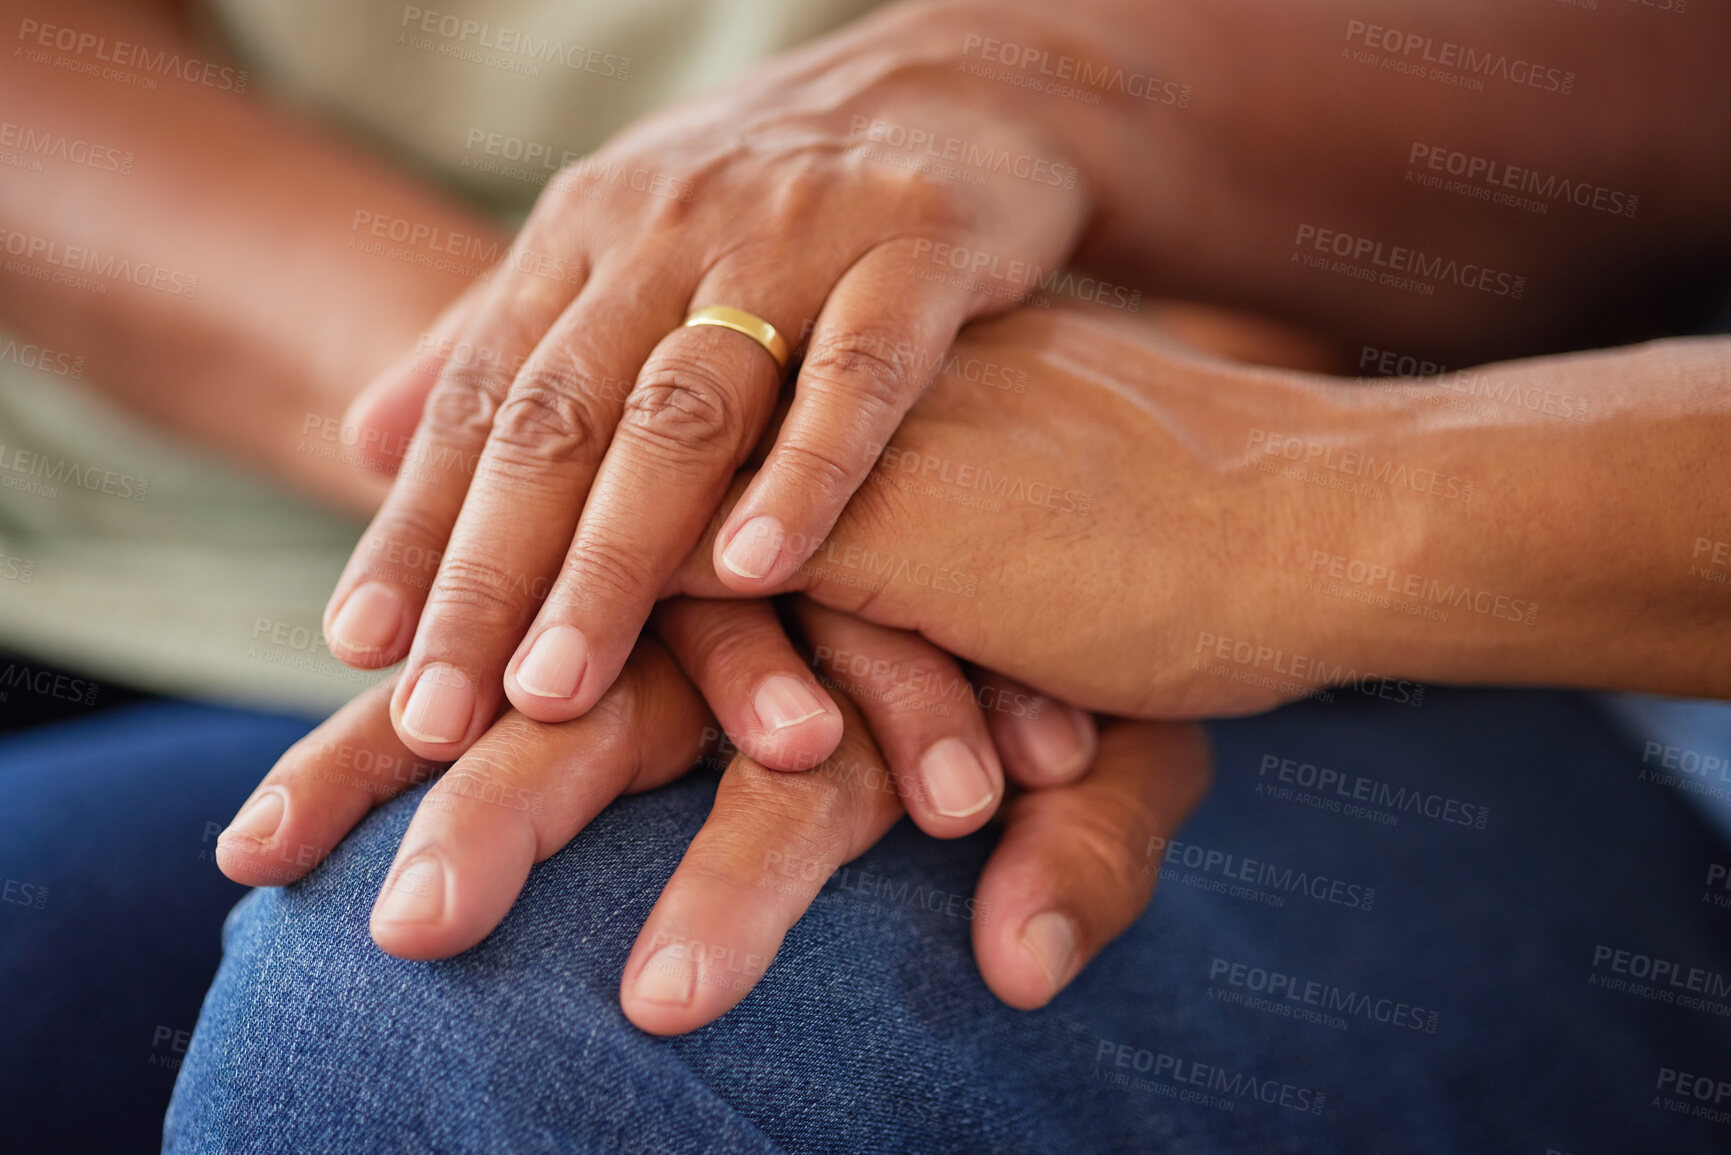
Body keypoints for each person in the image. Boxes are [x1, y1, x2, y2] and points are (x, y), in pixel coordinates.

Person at [0, 0, 1724, 1151]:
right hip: (205, 500)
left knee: (476, 1014)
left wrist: (1243, 489)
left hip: (1268, 500)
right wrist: (627, 431)